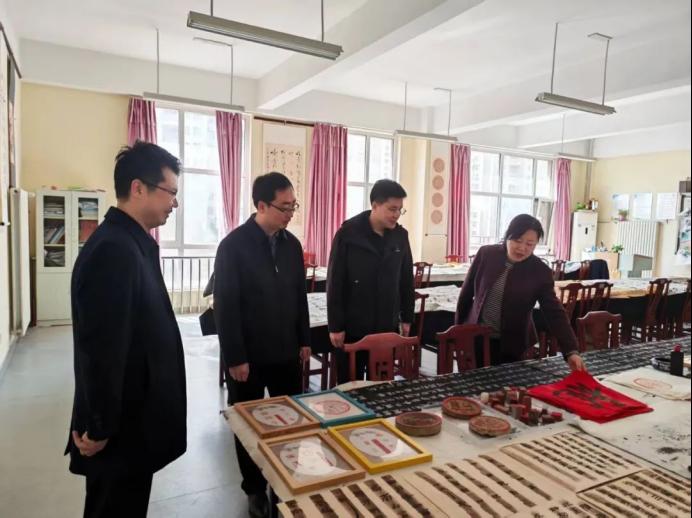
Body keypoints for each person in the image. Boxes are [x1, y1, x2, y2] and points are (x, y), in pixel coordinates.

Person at [65, 141, 187, 518]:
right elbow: (101, 349)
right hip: (118, 430)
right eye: (170, 192)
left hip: (134, 421)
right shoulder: (114, 250)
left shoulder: (132, 242)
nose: (175, 203)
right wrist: (99, 426)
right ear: (138, 188)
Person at [214, 172, 311, 518]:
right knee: (249, 426)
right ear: (261, 205)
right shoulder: (233, 246)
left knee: (291, 422)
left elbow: (299, 296)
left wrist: (304, 339)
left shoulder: (291, 245)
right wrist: (235, 357)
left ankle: (284, 481)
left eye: (293, 206)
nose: (290, 214)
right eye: (284, 207)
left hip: (286, 352)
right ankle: (254, 489)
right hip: (249, 358)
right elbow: (226, 306)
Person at [455, 214, 586, 371]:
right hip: (476, 338)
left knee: (508, 384)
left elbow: (554, 312)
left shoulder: (540, 271)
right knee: (473, 383)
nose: (522, 248)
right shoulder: (486, 254)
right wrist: (458, 331)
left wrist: (571, 351)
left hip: (512, 344)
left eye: (530, 244)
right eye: (518, 241)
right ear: (507, 236)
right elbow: (466, 294)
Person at [327, 179, 415, 383]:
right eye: (392, 209)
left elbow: (406, 280)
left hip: (386, 326)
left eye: (400, 210)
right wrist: (335, 326)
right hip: (353, 327)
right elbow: (335, 282)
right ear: (375, 205)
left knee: (382, 385)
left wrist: (407, 317)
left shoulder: (400, 236)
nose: (396, 214)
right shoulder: (348, 234)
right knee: (351, 386)